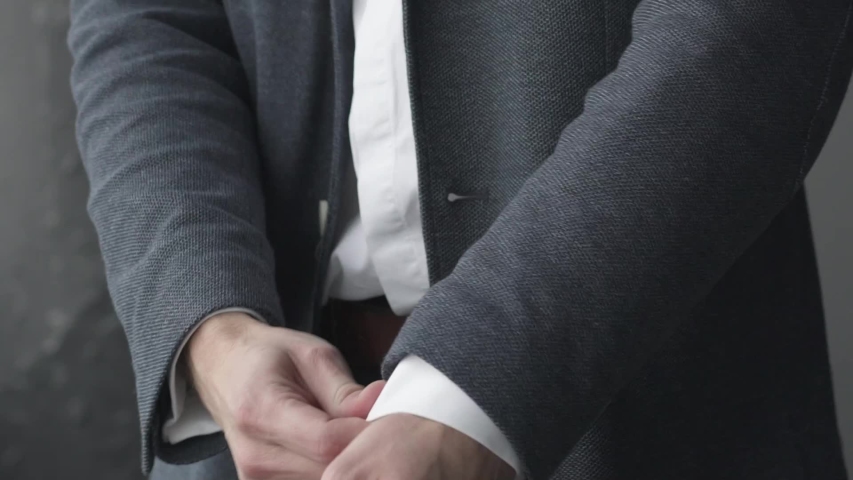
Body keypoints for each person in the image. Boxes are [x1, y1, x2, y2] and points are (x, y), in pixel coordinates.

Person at [68, 0, 853, 478]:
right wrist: (212, 334)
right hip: (263, 432)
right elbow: (144, 21)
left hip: (632, 414)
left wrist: (475, 391)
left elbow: (745, 25)